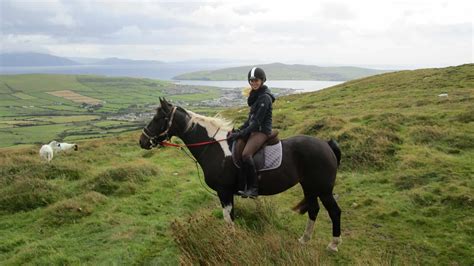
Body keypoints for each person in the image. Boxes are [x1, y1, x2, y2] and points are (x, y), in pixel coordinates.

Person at [228, 67, 275, 198]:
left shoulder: (265, 98)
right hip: (254, 129)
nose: (254, 83)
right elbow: (250, 120)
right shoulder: (255, 96)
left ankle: (254, 188)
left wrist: (241, 133)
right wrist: (239, 130)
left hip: (262, 131)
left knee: (246, 154)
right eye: (251, 80)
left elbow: (257, 123)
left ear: (262, 80)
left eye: (256, 80)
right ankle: (241, 183)